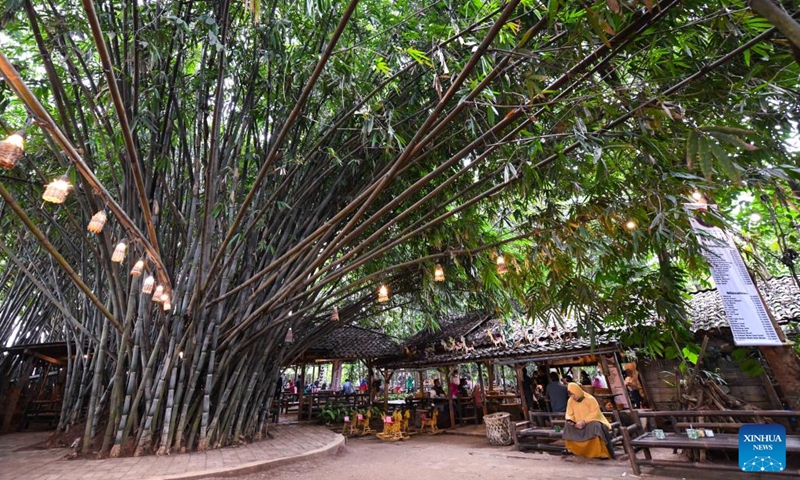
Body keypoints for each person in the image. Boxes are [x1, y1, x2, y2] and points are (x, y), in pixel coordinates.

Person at [563, 383, 614, 459]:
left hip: (590, 421)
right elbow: (569, 413)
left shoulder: (590, 399)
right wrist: (571, 420)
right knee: (567, 425)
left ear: (577, 392)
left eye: (573, 395)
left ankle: (601, 453)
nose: (572, 397)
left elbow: (595, 413)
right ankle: (571, 449)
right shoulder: (570, 401)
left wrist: (584, 421)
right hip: (577, 423)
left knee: (596, 426)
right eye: (571, 395)